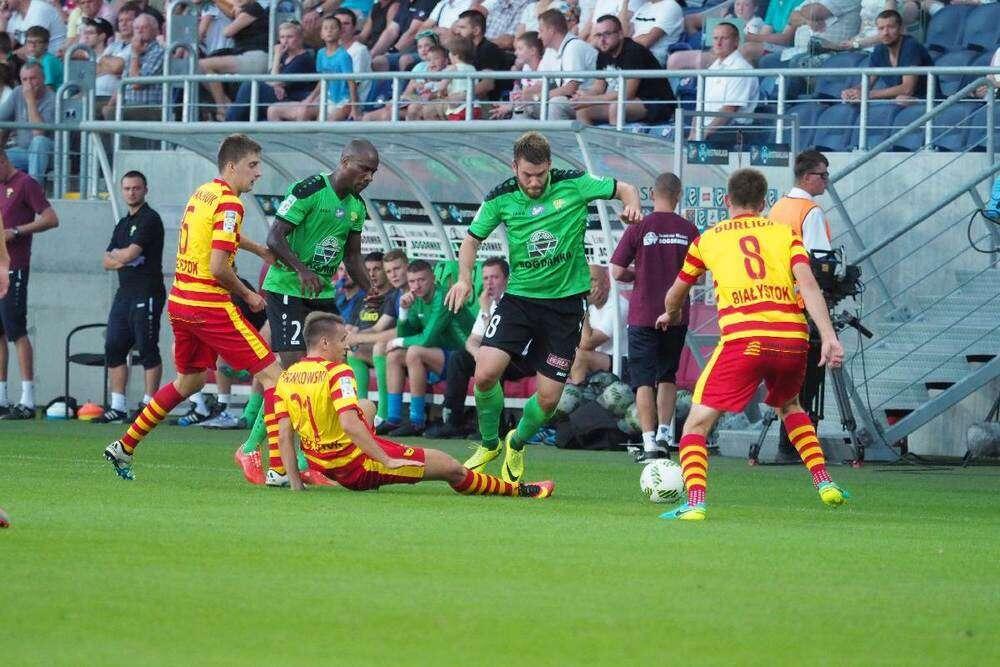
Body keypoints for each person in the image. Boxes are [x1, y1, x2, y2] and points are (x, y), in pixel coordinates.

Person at [444, 131, 643, 483]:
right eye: (527, 175)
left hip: (565, 307)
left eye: (540, 174)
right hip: (520, 300)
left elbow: (625, 188)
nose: (534, 182)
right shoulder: (501, 197)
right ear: (514, 167)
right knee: (485, 372)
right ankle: (489, 444)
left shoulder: (574, 184)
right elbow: (471, 240)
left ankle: (516, 442)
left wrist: (633, 206)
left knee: (549, 400)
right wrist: (463, 279)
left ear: (549, 165)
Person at [655, 168, 849, 521]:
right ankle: (825, 482)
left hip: (745, 339)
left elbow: (676, 292)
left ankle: (695, 503)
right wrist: (829, 337)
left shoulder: (707, 240)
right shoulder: (785, 234)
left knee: (696, 425)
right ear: (763, 204)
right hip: (792, 338)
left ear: (727, 200)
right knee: (791, 406)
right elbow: (808, 285)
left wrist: (670, 313)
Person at [103, 134, 283, 482]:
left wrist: (259, 249)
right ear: (232, 166)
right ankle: (277, 467)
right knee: (275, 377)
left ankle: (124, 445)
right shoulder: (230, 204)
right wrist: (248, 295)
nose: (258, 173)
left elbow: (216, 236)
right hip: (208, 304)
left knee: (190, 381)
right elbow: (218, 267)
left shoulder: (204, 193)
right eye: (253, 165)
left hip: (181, 302)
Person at [272, 311, 555, 498]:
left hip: (321, 462)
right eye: (343, 340)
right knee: (451, 468)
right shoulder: (338, 372)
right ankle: (519, 490)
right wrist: (386, 460)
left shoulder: (287, 377)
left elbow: (284, 435)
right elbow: (348, 424)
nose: (347, 346)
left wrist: (295, 484)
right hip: (355, 466)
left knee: (367, 406)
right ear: (324, 343)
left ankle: (331, 470)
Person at [234, 140, 378, 486]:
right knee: (293, 374)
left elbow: (352, 257)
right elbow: (274, 237)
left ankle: (305, 460)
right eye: (364, 169)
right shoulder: (309, 189)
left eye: (373, 172)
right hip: (286, 287)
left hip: (321, 292)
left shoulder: (356, 206)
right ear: (345, 161)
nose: (368, 178)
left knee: (331, 369)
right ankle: (252, 448)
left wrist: (370, 289)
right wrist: (301, 269)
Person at [610, 171, 698, 461]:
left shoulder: (640, 226)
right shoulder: (689, 230)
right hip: (676, 315)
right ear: (678, 195)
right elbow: (698, 274)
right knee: (668, 375)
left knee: (644, 380)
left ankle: (649, 444)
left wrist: (639, 275)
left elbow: (617, 271)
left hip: (643, 314)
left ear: (651, 194)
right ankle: (665, 436)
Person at [767, 149, 833, 463]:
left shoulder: (778, 207)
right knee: (808, 377)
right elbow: (820, 263)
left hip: (778, 300)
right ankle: (797, 445)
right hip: (803, 302)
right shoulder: (811, 211)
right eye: (823, 175)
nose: (826, 180)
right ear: (808, 177)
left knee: (788, 374)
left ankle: (787, 443)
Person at [426, 257, 534, 439]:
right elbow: (472, 341)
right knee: (459, 358)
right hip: (499, 356)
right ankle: (453, 421)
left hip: (523, 360)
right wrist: (478, 355)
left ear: (507, 280)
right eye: (485, 278)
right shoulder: (490, 302)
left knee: (493, 363)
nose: (489, 283)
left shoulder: (516, 302)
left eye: (495, 277)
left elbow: (500, 340)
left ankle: (494, 428)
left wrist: (485, 311)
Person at [93, 171, 165, 424]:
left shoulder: (150, 219)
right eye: (127, 188)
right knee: (113, 347)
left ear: (145, 190)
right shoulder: (123, 224)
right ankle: (118, 406)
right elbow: (106, 261)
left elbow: (127, 255)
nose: (131, 192)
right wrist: (122, 257)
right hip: (124, 294)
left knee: (147, 348)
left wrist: (121, 256)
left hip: (147, 292)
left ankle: (149, 406)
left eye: (136, 188)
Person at [379, 259, 475, 436]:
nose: (416, 286)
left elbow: (426, 339)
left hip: (464, 358)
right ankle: (393, 418)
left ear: (432, 278)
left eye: (421, 280)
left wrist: (399, 342)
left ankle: (417, 420)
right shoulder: (414, 298)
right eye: (412, 281)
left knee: (414, 352)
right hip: (440, 356)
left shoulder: (443, 296)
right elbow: (406, 335)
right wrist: (404, 311)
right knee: (394, 355)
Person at [0, 147, 57, 419]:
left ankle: (28, 399)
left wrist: (17, 231)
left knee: (16, 330)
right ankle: (2, 396)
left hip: (15, 268)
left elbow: (50, 218)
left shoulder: (25, 184)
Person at [344, 248, 409, 427]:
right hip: (394, 347)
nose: (393, 274)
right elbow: (377, 327)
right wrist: (351, 338)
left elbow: (399, 332)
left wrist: (359, 338)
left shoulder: (402, 294)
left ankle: (383, 414)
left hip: (410, 347)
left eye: (377, 269)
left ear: (407, 267)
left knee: (380, 346)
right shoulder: (391, 296)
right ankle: (360, 412)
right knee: (353, 352)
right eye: (389, 270)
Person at [572, 14, 675, 126]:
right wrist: (584, 96)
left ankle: (616, 138)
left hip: (656, 102)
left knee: (616, 107)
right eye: (598, 35)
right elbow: (598, 88)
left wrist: (592, 100)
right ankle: (592, 139)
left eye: (607, 34)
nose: (602, 40)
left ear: (620, 34)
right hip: (631, 102)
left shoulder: (633, 51)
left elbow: (628, 94)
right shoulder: (603, 53)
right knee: (582, 110)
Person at [269, 15, 359, 122]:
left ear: (340, 32)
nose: (329, 31)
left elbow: (351, 82)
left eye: (333, 28)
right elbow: (322, 80)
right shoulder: (321, 53)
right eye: (325, 28)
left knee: (325, 122)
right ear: (321, 34)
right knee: (301, 111)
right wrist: (310, 99)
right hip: (325, 98)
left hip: (342, 101)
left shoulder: (343, 56)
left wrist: (354, 108)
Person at [226, 20, 315, 122]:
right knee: (249, 92)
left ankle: (229, 123)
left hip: (292, 100)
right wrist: (276, 85)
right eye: (282, 37)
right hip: (279, 96)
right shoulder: (284, 56)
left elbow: (274, 81)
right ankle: (233, 123)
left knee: (250, 86)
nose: (285, 41)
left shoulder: (303, 59)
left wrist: (277, 56)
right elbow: (270, 80)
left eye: (290, 37)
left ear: (299, 39)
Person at [840, 10, 931, 104]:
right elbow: (867, 83)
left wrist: (867, 94)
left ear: (901, 29)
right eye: (881, 28)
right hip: (898, 102)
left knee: (902, 99)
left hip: (928, 100)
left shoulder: (910, 46)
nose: (885, 33)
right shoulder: (879, 49)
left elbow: (907, 89)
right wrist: (852, 92)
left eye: (891, 27)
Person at [198, 0, 269, 119]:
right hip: (245, 55)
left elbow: (227, 32)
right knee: (200, 67)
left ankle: (222, 108)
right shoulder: (246, 10)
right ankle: (227, 105)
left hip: (256, 57)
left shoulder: (253, 8)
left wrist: (235, 12)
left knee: (205, 65)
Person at [690, 22, 759, 144]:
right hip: (708, 131)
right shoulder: (711, 68)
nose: (718, 43)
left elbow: (729, 110)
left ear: (736, 42)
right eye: (715, 38)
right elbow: (699, 107)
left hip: (731, 132)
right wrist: (692, 134)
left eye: (724, 38)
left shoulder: (741, 69)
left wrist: (702, 136)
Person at [523, 8, 597, 120]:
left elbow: (571, 88)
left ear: (551, 30)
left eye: (541, 31)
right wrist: (523, 96)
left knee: (556, 103)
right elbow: (540, 84)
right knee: (523, 107)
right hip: (571, 100)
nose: (539, 36)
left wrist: (537, 97)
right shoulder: (550, 51)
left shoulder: (574, 47)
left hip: (589, 100)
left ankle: (556, 133)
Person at [101, 13, 165, 124]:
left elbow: (136, 84)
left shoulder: (159, 52)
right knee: (94, 109)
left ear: (155, 31)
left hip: (148, 107)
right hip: (128, 103)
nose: (140, 31)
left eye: (145, 27)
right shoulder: (134, 49)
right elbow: (123, 83)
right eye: (136, 28)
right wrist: (110, 105)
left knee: (111, 113)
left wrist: (135, 55)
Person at [567, 265, 624, 385]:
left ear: (606, 283)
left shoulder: (618, 305)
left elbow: (587, 343)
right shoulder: (592, 306)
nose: (587, 286)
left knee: (579, 357)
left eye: (592, 280)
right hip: (599, 360)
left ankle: (579, 394)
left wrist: (584, 306)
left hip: (623, 363)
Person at [0, 62, 54, 184]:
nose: (29, 84)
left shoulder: (52, 99)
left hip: (49, 154)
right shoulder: (18, 92)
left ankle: (34, 190)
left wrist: (30, 100)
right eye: (25, 79)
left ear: (43, 78)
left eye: (33, 78)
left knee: (39, 141)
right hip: (22, 151)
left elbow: (38, 132)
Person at [451, 9, 515, 103]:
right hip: (468, 101)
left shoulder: (489, 49)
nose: (457, 32)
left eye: (462, 28)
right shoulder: (465, 51)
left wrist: (462, 96)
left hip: (489, 104)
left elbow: (487, 84)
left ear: (476, 30)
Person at [0, 0, 67, 56]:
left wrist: (6, 57)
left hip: (55, 60)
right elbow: (5, 46)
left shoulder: (39, 9)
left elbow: (34, 48)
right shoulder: (13, 14)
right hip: (35, 60)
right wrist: (3, 18)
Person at [629, 0, 684, 67]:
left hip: (651, 58)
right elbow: (624, 34)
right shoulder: (644, 6)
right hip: (632, 53)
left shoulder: (671, 6)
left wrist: (627, 41)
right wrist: (625, 4)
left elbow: (646, 42)